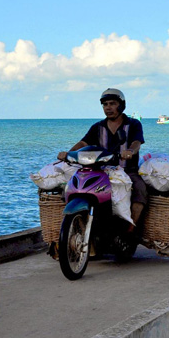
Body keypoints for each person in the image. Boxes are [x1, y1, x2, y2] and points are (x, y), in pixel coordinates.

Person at [57, 88, 147, 234]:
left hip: (127, 171)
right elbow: (84, 143)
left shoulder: (133, 124)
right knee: (70, 188)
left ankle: (131, 229)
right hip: (101, 171)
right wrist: (68, 153)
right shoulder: (98, 127)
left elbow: (137, 142)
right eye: (105, 104)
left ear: (121, 105)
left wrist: (130, 151)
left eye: (112, 103)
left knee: (140, 189)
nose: (108, 107)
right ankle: (76, 225)